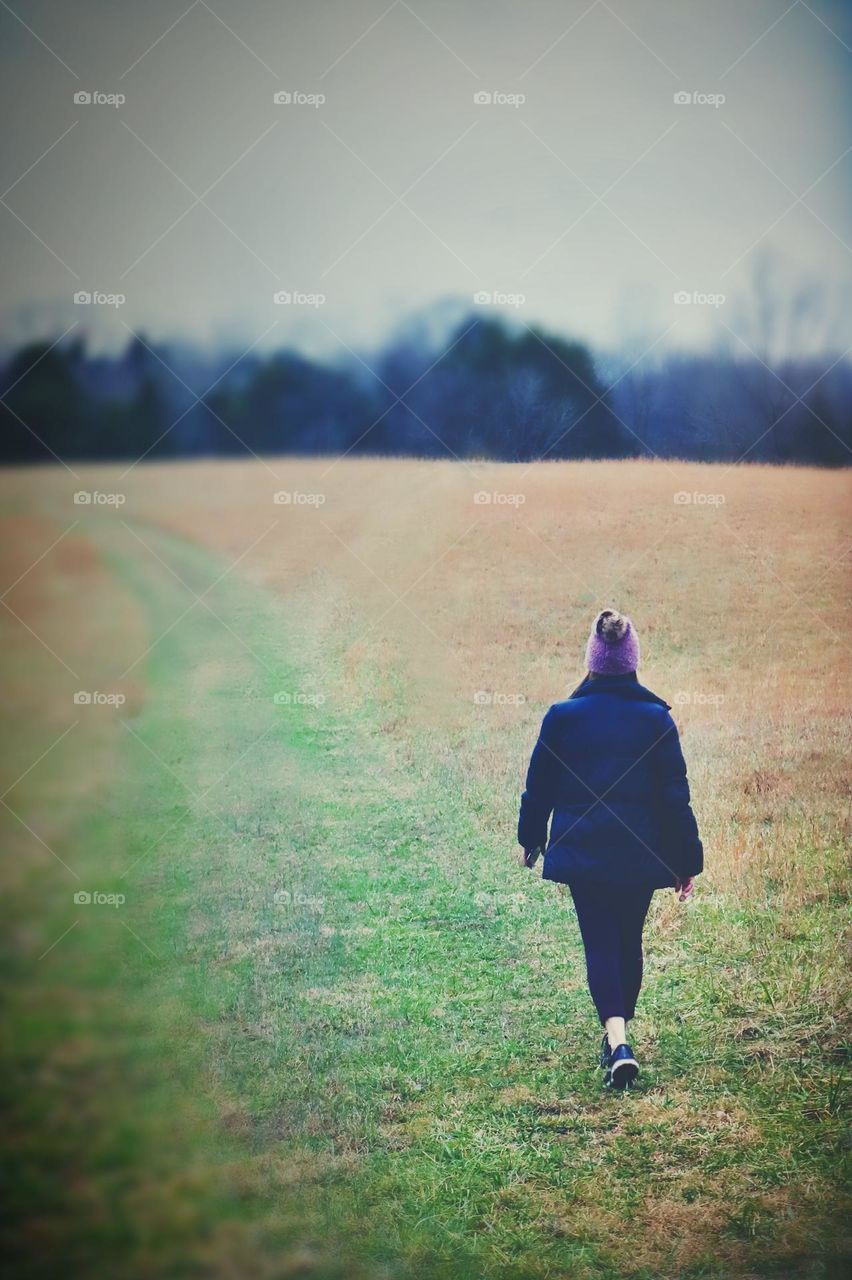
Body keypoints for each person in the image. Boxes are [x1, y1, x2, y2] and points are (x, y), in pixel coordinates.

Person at [517, 608, 703, 1089]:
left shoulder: (562, 718)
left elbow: (539, 786)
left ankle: (617, 1040)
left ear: (592, 662)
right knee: (627, 940)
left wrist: (531, 838)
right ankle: (619, 1034)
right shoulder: (655, 720)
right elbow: (673, 797)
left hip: (585, 854)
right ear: (633, 661)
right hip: (639, 857)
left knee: (599, 940)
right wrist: (686, 862)